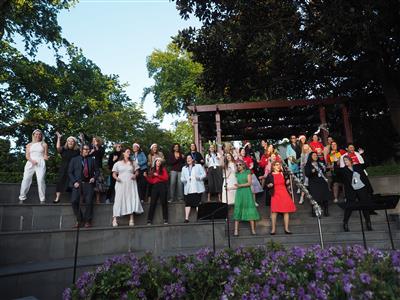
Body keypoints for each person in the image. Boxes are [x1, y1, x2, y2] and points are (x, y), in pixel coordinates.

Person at [68, 144, 99, 228]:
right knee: (74, 201)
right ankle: (79, 219)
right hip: (77, 184)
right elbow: (70, 172)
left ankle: (88, 221)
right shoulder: (74, 159)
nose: (87, 151)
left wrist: (94, 178)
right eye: (85, 149)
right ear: (81, 150)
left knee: (89, 202)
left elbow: (97, 171)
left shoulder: (92, 160)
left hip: (88, 184)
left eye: (88, 149)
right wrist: (74, 182)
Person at [111, 147, 143, 227]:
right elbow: (114, 174)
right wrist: (116, 178)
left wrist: (135, 175)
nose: (129, 153)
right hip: (120, 182)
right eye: (128, 152)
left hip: (131, 183)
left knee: (130, 198)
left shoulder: (133, 162)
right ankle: (114, 219)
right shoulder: (117, 163)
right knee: (118, 199)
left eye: (129, 152)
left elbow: (137, 172)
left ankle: (131, 219)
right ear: (123, 153)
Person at [341, 156, 373, 232]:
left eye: (346, 160)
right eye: (344, 161)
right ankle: (345, 223)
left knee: (365, 205)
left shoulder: (357, 166)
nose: (345, 162)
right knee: (349, 206)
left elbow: (367, 164)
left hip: (361, 189)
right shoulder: (344, 170)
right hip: (351, 191)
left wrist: (363, 154)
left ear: (350, 160)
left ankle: (368, 223)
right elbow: (336, 172)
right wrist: (335, 163)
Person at [266, 161, 296, 235]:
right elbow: (266, 185)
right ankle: (273, 229)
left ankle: (286, 229)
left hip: (284, 193)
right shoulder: (270, 175)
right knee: (274, 211)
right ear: (273, 166)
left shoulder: (283, 173)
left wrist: (288, 180)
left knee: (286, 211)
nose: (278, 166)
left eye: (279, 165)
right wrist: (269, 185)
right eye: (276, 165)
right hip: (275, 193)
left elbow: (287, 182)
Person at [19, 129, 48, 204]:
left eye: (39, 134)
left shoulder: (44, 144)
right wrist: (32, 161)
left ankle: (42, 199)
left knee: (41, 180)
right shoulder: (29, 145)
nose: (38, 135)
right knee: (26, 179)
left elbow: (45, 155)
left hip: (40, 163)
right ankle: (22, 197)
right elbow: (27, 156)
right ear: (33, 135)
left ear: (41, 136)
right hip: (30, 162)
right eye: (36, 134)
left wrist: (46, 157)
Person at [233, 160, 260, 236]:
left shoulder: (247, 172)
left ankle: (253, 230)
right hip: (239, 193)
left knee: (249, 208)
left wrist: (240, 185)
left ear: (243, 165)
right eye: (237, 165)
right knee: (238, 208)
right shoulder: (237, 174)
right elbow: (235, 184)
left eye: (240, 164)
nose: (238, 166)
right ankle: (236, 230)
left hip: (247, 192)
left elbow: (249, 183)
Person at [54, 132, 80, 203]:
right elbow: (57, 148)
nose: (70, 142)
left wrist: (82, 140)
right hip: (64, 168)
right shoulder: (63, 149)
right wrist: (59, 138)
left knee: (72, 182)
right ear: (67, 142)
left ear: (74, 143)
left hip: (73, 169)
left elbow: (83, 151)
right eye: (69, 141)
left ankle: (74, 198)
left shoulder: (77, 151)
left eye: (72, 141)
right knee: (60, 182)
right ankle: (57, 198)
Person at [180, 155, 206, 222]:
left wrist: (199, 177)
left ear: (192, 159)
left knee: (198, 203)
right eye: (187, 158)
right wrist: (184, 180)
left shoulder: (198, 166)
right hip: (188, 189)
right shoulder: (184, 168)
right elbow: (182, 177)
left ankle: (200, 218)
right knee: (188, 203)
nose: (188, 159)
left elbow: (204, 174)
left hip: (197, 188)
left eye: (189, 158)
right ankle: (186, 219)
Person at [305, 152, 331, 217]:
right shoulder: (308, 165)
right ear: (310, 156)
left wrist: (328, 168)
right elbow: (307, 174)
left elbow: (324, 170)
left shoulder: (320, 163)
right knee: (315, 197)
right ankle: (314, 211)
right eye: (314, 155)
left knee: (325, 196)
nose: (315, 156)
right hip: (314, 183)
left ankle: (326, 211)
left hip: (322, 181)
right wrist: (312, 171)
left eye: (316, 155)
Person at [144, 157, 169, 225]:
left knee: (164, 202)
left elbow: (166, 178)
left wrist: (158, 175)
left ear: (161, 163)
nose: (158, 162)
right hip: (155, 186)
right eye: (157, 161)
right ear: (155, 162)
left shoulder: (163, 169)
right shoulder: (152, 170)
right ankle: (149, 220)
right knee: (152, 203)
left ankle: (165, 219)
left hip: (162, 186)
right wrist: (146, 177)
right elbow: (151, 181)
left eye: (159, 161)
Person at [88, 136, 105, 204]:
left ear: (98, 141)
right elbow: (85, 156)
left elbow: (101, 154)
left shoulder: (101, 148)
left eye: (95, 140)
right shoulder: (89, 147)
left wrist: (96, 148)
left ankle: (98, 199)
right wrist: (91, 152)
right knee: (89, 182)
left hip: (98, 167)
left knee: (99, 182)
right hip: (89, 167)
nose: (94, 141)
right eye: (93, 140)